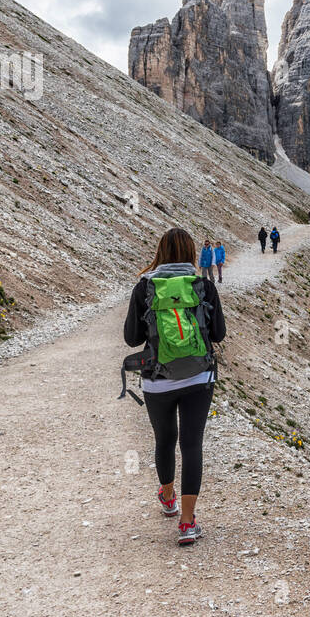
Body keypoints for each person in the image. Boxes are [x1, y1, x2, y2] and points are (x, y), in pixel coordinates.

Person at [123, 228, 225, 546]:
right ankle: (187, 523)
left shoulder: (145, 287)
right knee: (192, 445)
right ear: (192, 253)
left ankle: (168, 498)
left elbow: (131, 339)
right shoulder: (202, 286)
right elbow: (219, 334)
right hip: (198, 378)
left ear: (160, 253)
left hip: (157, 382)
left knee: (164, 440)